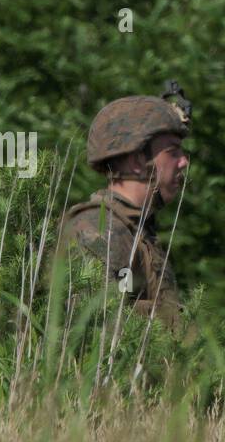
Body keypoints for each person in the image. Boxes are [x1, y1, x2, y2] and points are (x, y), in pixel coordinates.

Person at [61, 82, 191, 329]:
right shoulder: (99, 228)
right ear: (136, 161)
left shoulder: (138, 231)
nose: (184, 161)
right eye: (173, 152)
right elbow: (91, 326)